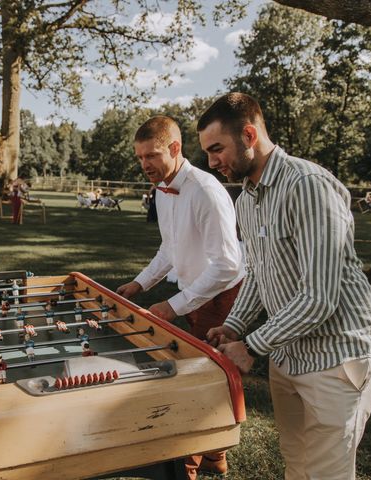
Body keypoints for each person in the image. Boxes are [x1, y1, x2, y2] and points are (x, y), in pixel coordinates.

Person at [198, 92, 371, 480]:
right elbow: (258, 272)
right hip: (288, 356)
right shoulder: (245, 201)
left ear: (249, 135)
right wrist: (234, 324)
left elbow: (320, 298)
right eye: (207, 152)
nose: (211, 162)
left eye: (217, 149)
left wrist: (250, 346)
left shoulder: (308, 185)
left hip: (339, 356)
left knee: (327, 473)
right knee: (296, 465)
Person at [116, 115, 244, 479]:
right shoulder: (162, 189)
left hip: (223, 298)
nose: (145, 165)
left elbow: (227, 265)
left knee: (204, 382)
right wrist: (139, 284)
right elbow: (169, 249)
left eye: (152, 155)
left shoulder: (204, 190)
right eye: (140, 158)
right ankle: (215, 457)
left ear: (175, 148)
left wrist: (172, 306)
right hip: (191, 292)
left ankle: (187, 465)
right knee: (207, 378)